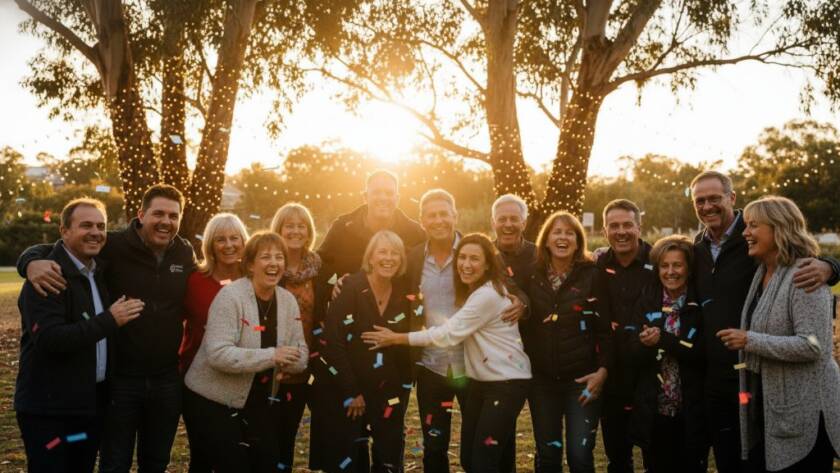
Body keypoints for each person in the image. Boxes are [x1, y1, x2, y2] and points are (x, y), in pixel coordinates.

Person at [18, 184, 197, 472]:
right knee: (114, 463)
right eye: (158, 213)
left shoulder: (183, 252)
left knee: (156, 462)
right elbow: (60, 247)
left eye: (173, 216)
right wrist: (30, 262)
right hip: (120, 381)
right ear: (141, 214)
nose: (166, 222)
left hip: (165, 380)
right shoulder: (112, 246)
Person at [689, 171, 840, 473]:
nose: (707, 206)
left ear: (732, 198)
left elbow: (814, 345)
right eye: (699, 200)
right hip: (750, 387)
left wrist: (831, 266)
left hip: (794, 399)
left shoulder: (802, 274)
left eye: (714, 198)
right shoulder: (708, 250)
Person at [363, 233, 532, 473]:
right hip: (480, 380)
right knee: (471, 459)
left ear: (488, 264)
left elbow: (447, 333)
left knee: (484, 462)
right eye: (461, 258)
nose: (465, 264)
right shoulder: (477, 290)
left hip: (505, 383)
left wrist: (396, 338)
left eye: (474, 259)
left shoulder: (487, 294)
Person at [15, 198, 144, 473]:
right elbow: (51, 339)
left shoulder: (98, 270)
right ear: (64, 231)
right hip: (49, 413)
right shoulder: (47, 275)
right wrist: (110, 320)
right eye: (86, 225)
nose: (95, 232)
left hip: (89, 410)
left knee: (81, 467)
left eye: (101, 225)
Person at [405, 189, 526, 472]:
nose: (438, 220)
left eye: (444, 214)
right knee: (434, 447)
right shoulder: (412, 259)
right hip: (432, 367)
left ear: (455, 216)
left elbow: (511, 288)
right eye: (431, 215)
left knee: (489, 446)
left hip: (474, 366)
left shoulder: (476, 251)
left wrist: (523, 303)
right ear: (422, 220)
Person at [184, 231, 308, 472]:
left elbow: (301, 351)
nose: (274, 263)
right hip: (213, 400)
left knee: (267, 463)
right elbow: (218, 354)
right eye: (266, 257)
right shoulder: (230, 296)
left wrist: (289, 362)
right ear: (250, 264)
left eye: (279, 257)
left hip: (258, 400)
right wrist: (273, 355)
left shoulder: (287, 300)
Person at [521, 211, 613, 473]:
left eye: (569, 232)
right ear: (546, 240)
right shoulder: (532, 275)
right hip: (542, 382)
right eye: (556, 232)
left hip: (582, 380)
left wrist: (602, 372)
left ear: (578, 240)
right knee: (548, 456)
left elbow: (606, 330)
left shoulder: (593, 275)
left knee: (580, 455)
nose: (562, 237)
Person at [321, 230, 413, 473]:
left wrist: (404, 379)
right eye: (382, 251)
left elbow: (412, 337)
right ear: (370, 257)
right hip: (352, 391)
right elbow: (333, 340)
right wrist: (352, 391)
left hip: (390, 392)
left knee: (389, 457)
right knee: (350, 459)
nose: (389, 258)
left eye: (395, 253)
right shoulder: (351, 287)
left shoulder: (404, 294)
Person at [627, 235, 706, 473]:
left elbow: (701, 353)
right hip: (655, 410)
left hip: (691, 409)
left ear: (689, 269)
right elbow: (632, 353)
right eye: (665, 265)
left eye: (677, 265)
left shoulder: (698, 305)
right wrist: (643, 344)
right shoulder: (647, 302)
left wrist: (664, 339)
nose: (670, 272)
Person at [180, 213, 249, 473]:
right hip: (198, 381)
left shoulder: (254, 280)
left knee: (236, 457)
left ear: (244, 242)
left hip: (242, 381)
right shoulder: (194, 281)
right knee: (203, 455)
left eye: (235, 238)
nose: (229, 245)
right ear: (210, 245)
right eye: (221, 239)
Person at [595, 199, 660, 473]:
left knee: (655, 453)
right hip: (612, 373)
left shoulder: (658, 260)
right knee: (618, 457)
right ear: (604, 230)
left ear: (639, 226)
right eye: (614, 226)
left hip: (652, 372)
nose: (620, 231)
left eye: (627, 225)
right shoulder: (597, 264)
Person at [269, 203, 329, 471]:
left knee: (290, 437)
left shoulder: (320, 269)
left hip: (309, 365)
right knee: (270, 439)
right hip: (272, 366)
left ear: (309, 231)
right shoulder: (269, 266)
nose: (295, 230)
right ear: (278, 229)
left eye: (300, 225)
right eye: (289, 225)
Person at [318, 169, 425, 291]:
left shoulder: (415, 232)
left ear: (397, 199)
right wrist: (332, 285)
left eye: (389, 193)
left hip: (398, 306)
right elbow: (319, 265)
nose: (383, 198)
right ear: (365, 197)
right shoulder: (342, 227)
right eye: (376, 192)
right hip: (352, 306)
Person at [491, 193, 536, 289]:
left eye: (514, 219)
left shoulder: (538, 256)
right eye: (502, 219)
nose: (508, 225)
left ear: (523, 224)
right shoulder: (485, 254)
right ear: (493, 224)